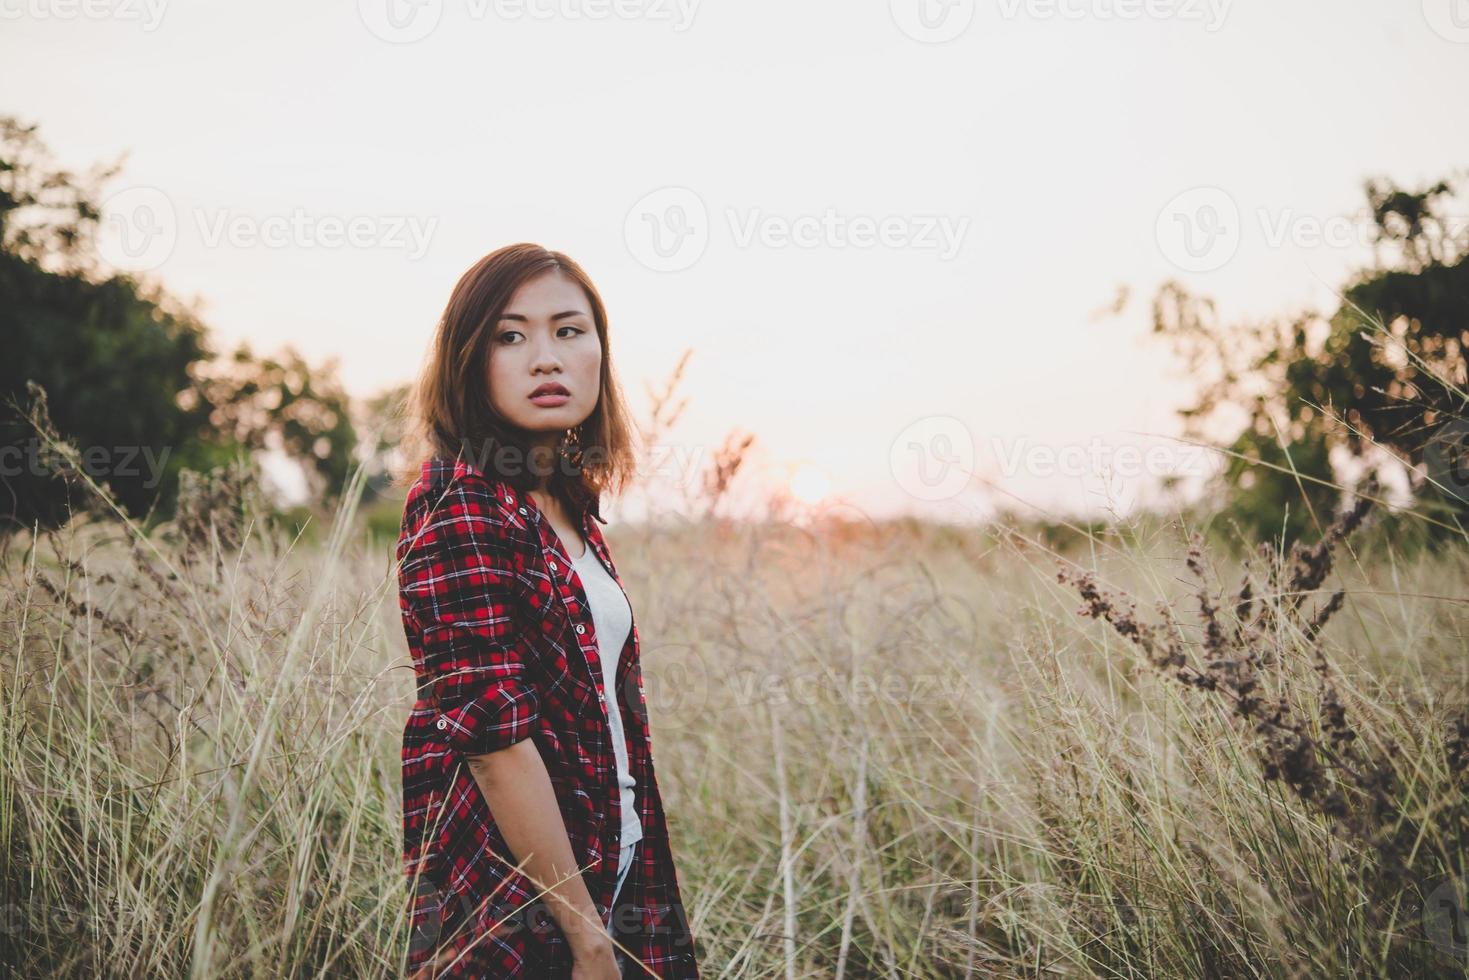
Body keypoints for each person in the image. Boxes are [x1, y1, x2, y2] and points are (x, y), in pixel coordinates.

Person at [394, 243, 701, 978]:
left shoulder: (568, 507)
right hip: (522, 899)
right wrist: (586, 935)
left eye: (569, 330)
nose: (545, 358)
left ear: (599, 349)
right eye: (510, 335)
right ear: (470, 358)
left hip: (619, 853)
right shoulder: (461, 504)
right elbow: (493, 740)